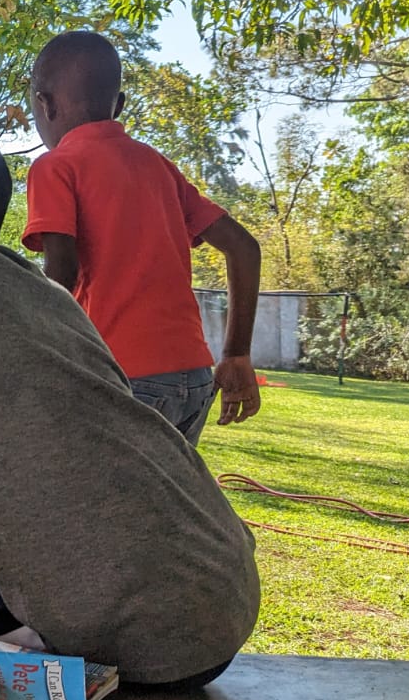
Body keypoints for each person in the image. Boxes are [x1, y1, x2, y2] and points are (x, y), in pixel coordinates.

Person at [0, 120, 260, 688]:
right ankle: (33, 631)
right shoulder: (48, 294)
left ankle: (46, 637)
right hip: (219, 596)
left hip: (149, 635)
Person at [23, 31, 263, 444]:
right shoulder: (158, 167)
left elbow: (62, 270)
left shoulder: (54, 167)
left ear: (45, 104)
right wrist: (237, 353)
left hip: (117, 373)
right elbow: (244, 248)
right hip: (191, 378)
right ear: (118, 107)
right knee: (161, 506)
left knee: (98, 504)